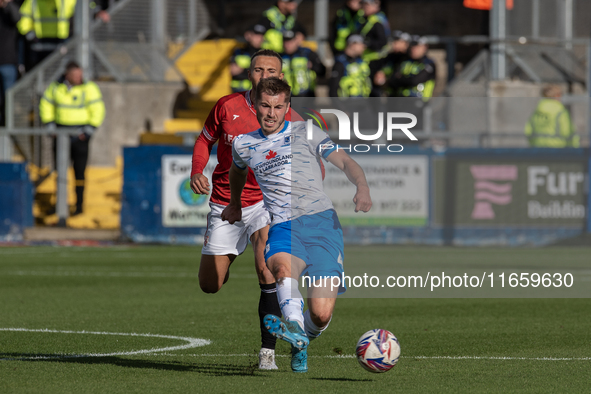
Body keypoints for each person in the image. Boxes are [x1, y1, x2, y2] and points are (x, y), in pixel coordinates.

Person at [222, 77, 372, 373]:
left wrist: (362, 187)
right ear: (255, 105)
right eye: (265, 105)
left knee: (320, 313)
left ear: (287, 107)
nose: (271, 113)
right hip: (283, 225)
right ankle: (291, 325)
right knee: (280, 269)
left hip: (322, 225)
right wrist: (235, 202)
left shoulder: (307, 131)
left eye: (278, 107)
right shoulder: (244, 144)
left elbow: (346, 162)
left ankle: (302, 337)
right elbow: (236, 172)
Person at [190, 49, 302, 370]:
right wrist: (197, 170)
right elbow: (203, 140)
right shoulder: (228, 106)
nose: (264, 74)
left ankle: (268, 353)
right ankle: (226, 258)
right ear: (249, 74)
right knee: (209, 285)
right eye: (257, 69)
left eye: (271, 70)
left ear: (280, 76)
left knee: (268, 269)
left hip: (266, 203)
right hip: (227, 203)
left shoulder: (290, 117)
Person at [39, 61, 105, 215]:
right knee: (60, 172)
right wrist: (50, 125)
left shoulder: (89, 88)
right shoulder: (56, 87)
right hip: (61, 133)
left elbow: (98, 109)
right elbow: (46, 104)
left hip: (81, 135)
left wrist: (89, 130)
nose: (78, 77)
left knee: (79, 172)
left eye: (80, 74)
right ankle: (60, 205)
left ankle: (79, 206)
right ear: (67, 74)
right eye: (75, 74)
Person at [17, 0, 77, 71]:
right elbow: (22, 18)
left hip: (61, 41)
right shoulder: (32, 1)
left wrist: (70, 34)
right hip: (39, 42)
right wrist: (29, 34)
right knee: (40, 70)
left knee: (60, 70)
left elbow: (78, 17)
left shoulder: (70, 1)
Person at [281, 29, 325, 97]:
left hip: (306, 96)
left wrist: (312, 66)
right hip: (285, 97)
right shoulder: (280, 56)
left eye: (290, 41)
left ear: (296, 41)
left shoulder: (307, 53)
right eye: (285, 41)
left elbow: (322, 71)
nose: (287, 44)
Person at [370, 30, 410, 97]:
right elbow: (377, 67)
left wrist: (387, 81)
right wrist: (378, 74)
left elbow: (402, 78)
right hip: (390, 93)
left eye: (397, 41)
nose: (394, 44)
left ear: (406, 43)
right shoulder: (390, 57)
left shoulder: (409, 58)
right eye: (393, 41)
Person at [0, 0, 20, 126]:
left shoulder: (8, 12)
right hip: (6, 63)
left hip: (7, 62)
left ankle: (9, 125)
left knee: (9, 98)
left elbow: (18, 17)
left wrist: (7, 4)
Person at [230, 24, 266, 93]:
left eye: (261, 35)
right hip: (238, 92)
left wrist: (243, 70)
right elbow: (233, 70)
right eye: (256, 35)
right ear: (248, 35)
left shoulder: (265, 53)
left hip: (258, 93)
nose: (260, 38)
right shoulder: (239, 51)